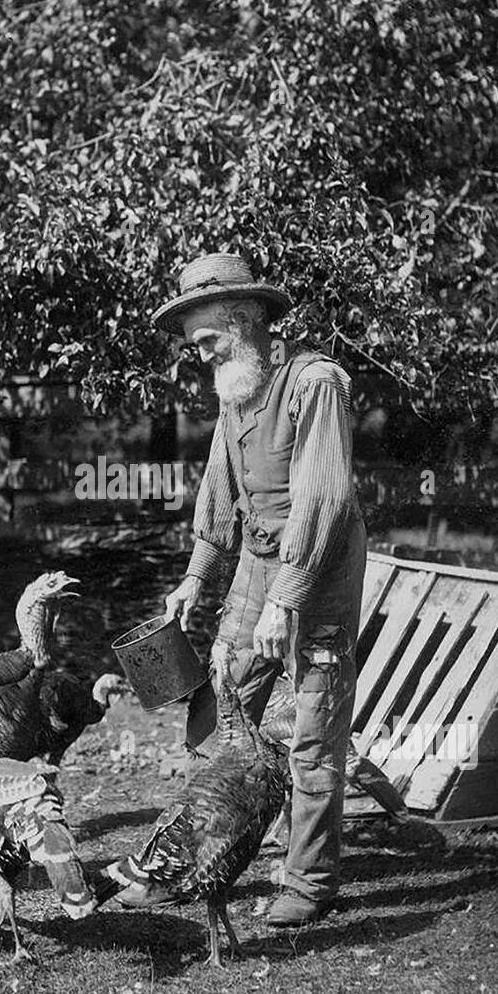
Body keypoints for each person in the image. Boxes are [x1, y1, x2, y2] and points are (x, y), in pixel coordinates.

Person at [155, 253, 367, 927]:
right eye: (195, 345)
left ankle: (308, 883)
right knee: (222, 700)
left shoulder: (316, 384)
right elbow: (220, 496)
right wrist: (195, 575)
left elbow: (324, 498)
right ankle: (203, 849)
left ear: (245, 319)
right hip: (256, 564)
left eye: (207, 338)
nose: (200, 353)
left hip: (320, 571)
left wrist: (288, 600)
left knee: (313, 732)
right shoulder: (234, 392)